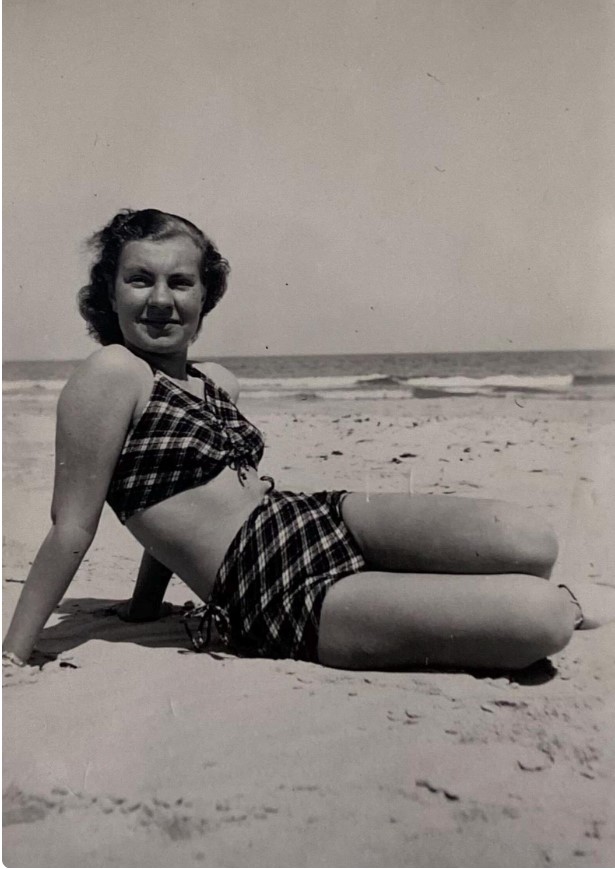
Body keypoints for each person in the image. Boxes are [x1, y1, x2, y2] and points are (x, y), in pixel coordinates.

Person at [3, 209, 612, 673]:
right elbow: (72, 526)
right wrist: (14, 652)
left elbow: (162, 503)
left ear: (204, 295)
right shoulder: (109, 373)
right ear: (109, 292)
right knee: (544, 618)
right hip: (267, 589)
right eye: (139, 280)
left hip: (311, 515)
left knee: (532, 540)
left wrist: (143, 607)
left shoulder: (217, 381)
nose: (161, 300)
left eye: (180, 282)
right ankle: (529, 607)